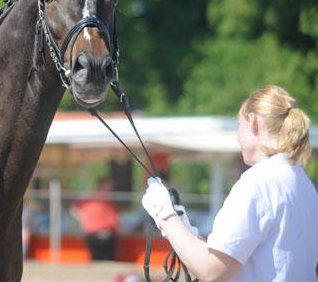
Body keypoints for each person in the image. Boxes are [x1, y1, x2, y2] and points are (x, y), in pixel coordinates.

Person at [142, 85, 318, 281]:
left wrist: (164, 214)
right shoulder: (302, 182)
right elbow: (232, 258)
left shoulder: (257, 182)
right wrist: (185, 230)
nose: (238, 135)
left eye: (239, 124)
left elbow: (211, 271)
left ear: (254, 122)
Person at [72, 177, 121, 261]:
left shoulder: (93, 197)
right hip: (98, 233)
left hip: (101, 233)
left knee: (98, 261)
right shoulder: (103, 199)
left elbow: (74, 209)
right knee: (104, 261)